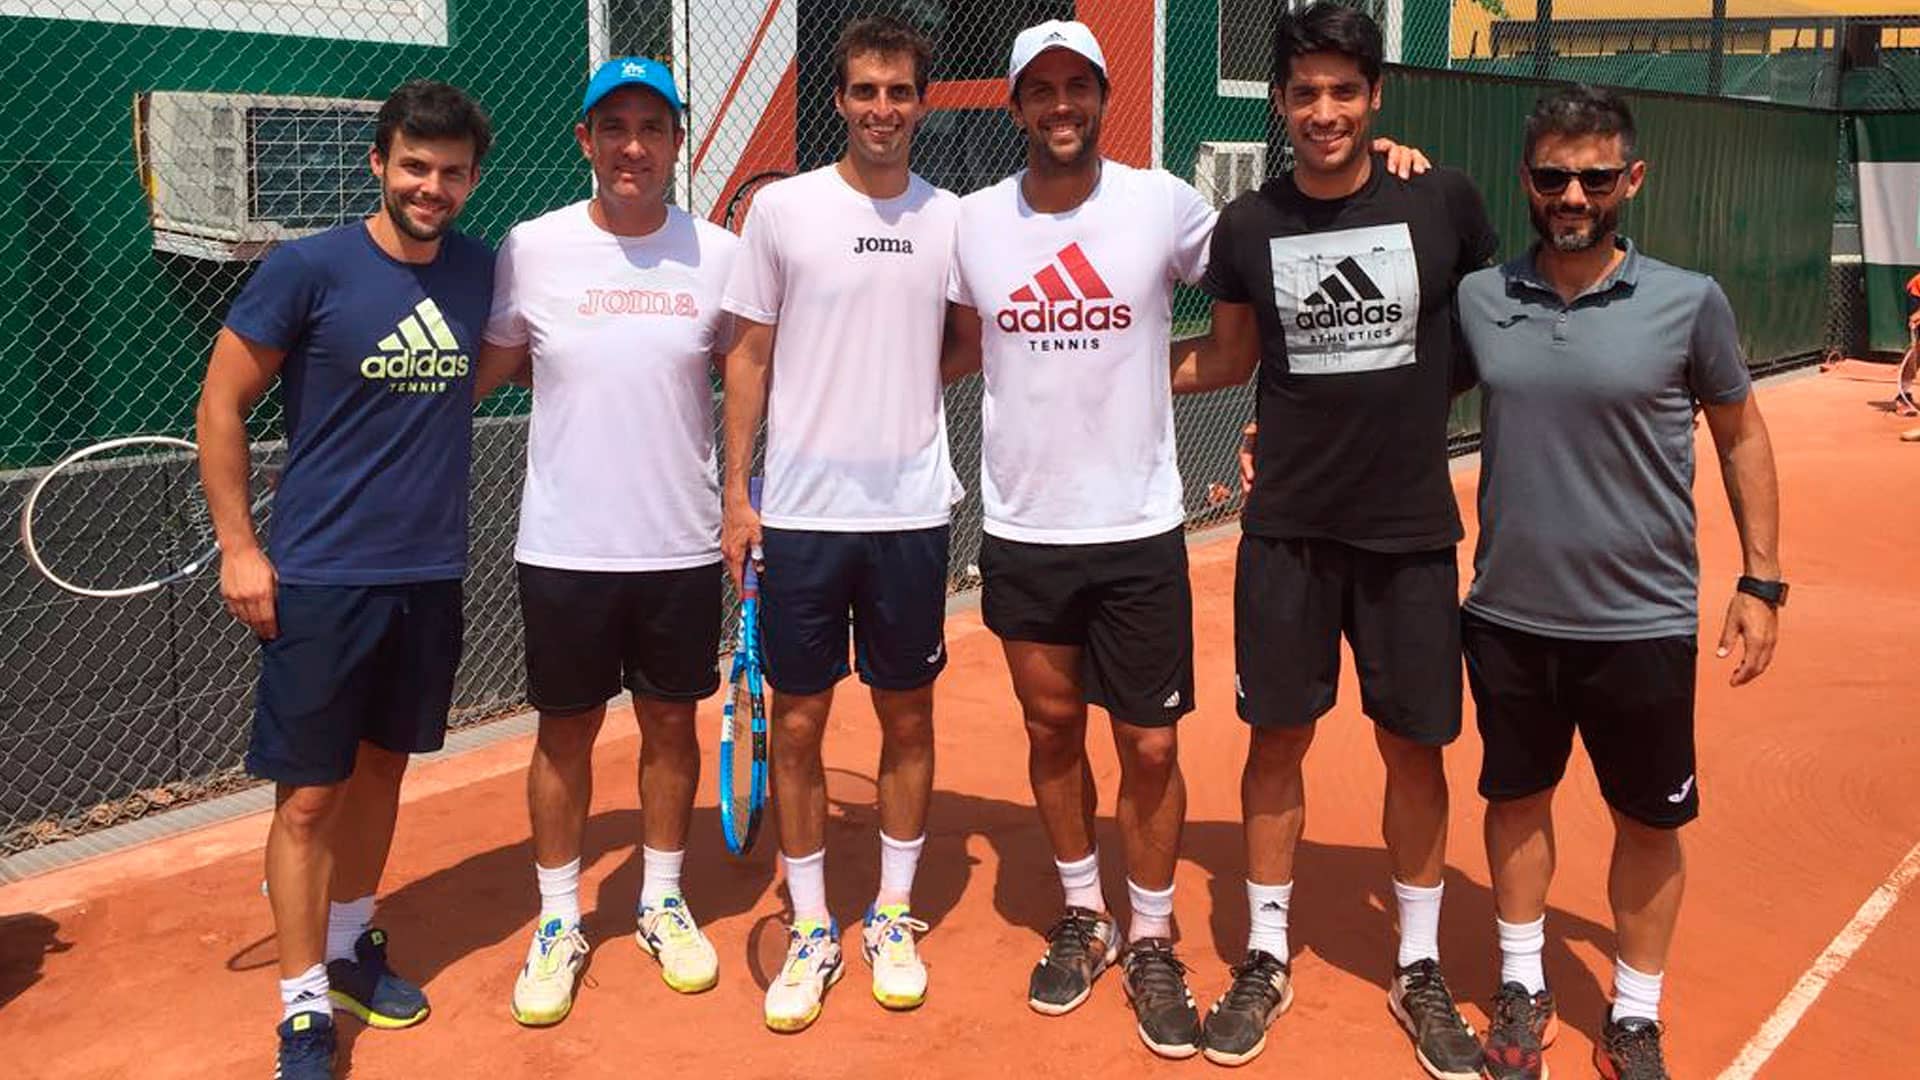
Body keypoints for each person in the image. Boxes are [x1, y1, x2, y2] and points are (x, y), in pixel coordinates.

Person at [1170, 4, 1497, 1072]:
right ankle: (1265, 953)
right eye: (1304, 92)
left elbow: (1483, 329)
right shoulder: (1252, 226)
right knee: (1277, 741)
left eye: (1343, 91)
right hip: (1288, 532)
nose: (1324, 111)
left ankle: (1417, 965)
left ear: (1375, 97)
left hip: (1408, 531)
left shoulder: (1440, 199)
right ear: (1279, 103)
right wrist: (1078, 368)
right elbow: (1227, 357)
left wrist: (1403, 414)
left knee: (1417, 745)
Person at [1456, 86, 1782, 1080]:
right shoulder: (1482, 296)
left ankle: (1635, 1012)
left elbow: (1740, 434)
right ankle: (1523, 985)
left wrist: (1763, 581)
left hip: (1641, 621)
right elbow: (1390, 388)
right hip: (1508, 614)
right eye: (1553, 175)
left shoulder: (1690, 301)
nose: (1573, 194)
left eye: (1596, 177)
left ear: (1630, 181)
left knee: (1649, 819)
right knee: (1517, 800)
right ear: (1528, 179)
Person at [194, 80, 494, 1079]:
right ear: (379, 162)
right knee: (309, 799)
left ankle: (350, 944)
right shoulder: (308, 269)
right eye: (415, 165)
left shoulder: (480, 274)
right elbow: (222, 403)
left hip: (429, 572)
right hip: (319, 577)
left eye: (451, 172)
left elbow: (505, 368)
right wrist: (242, 548)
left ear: (470, 180)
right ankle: (302, 1010)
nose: (431, 185)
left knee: (381, 769)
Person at [940, 18, 1220, 1060]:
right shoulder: (972, 221)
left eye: (1078, 88)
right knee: (1052, 729)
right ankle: (1084, 912)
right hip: (1024, 525)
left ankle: (1151, 932)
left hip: (1139, 524)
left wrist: (1387, 165)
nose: (1061, 106)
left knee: (1149, 743)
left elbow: (1260, 259)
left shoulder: (1162, 202)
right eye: (1040, 92)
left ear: (1103, 97)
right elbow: (952, 344)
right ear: (1016, 107)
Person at [471, 57, 738, 1026]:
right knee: (564, 734)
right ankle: (558, 918)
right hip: (564, 547)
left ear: (676, 142)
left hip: (679, 544)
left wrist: (746, 501)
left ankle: (661, 897)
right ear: (584, 140)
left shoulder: (717, 253)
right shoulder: (532, 249)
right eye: (614, 126)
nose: (633, 145)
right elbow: (490, 367)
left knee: (672, 725)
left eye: (652, 127)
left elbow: (747, 380)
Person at [719, 15, 963, 1032]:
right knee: (805, 724)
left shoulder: (955, 217)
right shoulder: (781, 211)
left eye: (899, 91)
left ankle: (893, 916)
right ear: (838, 99)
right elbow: (748, 357)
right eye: (864, 90)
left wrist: (898, 394)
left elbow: (968, 340)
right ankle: (815, 926)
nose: (881, 108)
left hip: (911, 515)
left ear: (922, 99)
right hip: (804, 521)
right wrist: (738, 494)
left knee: (908, 719)